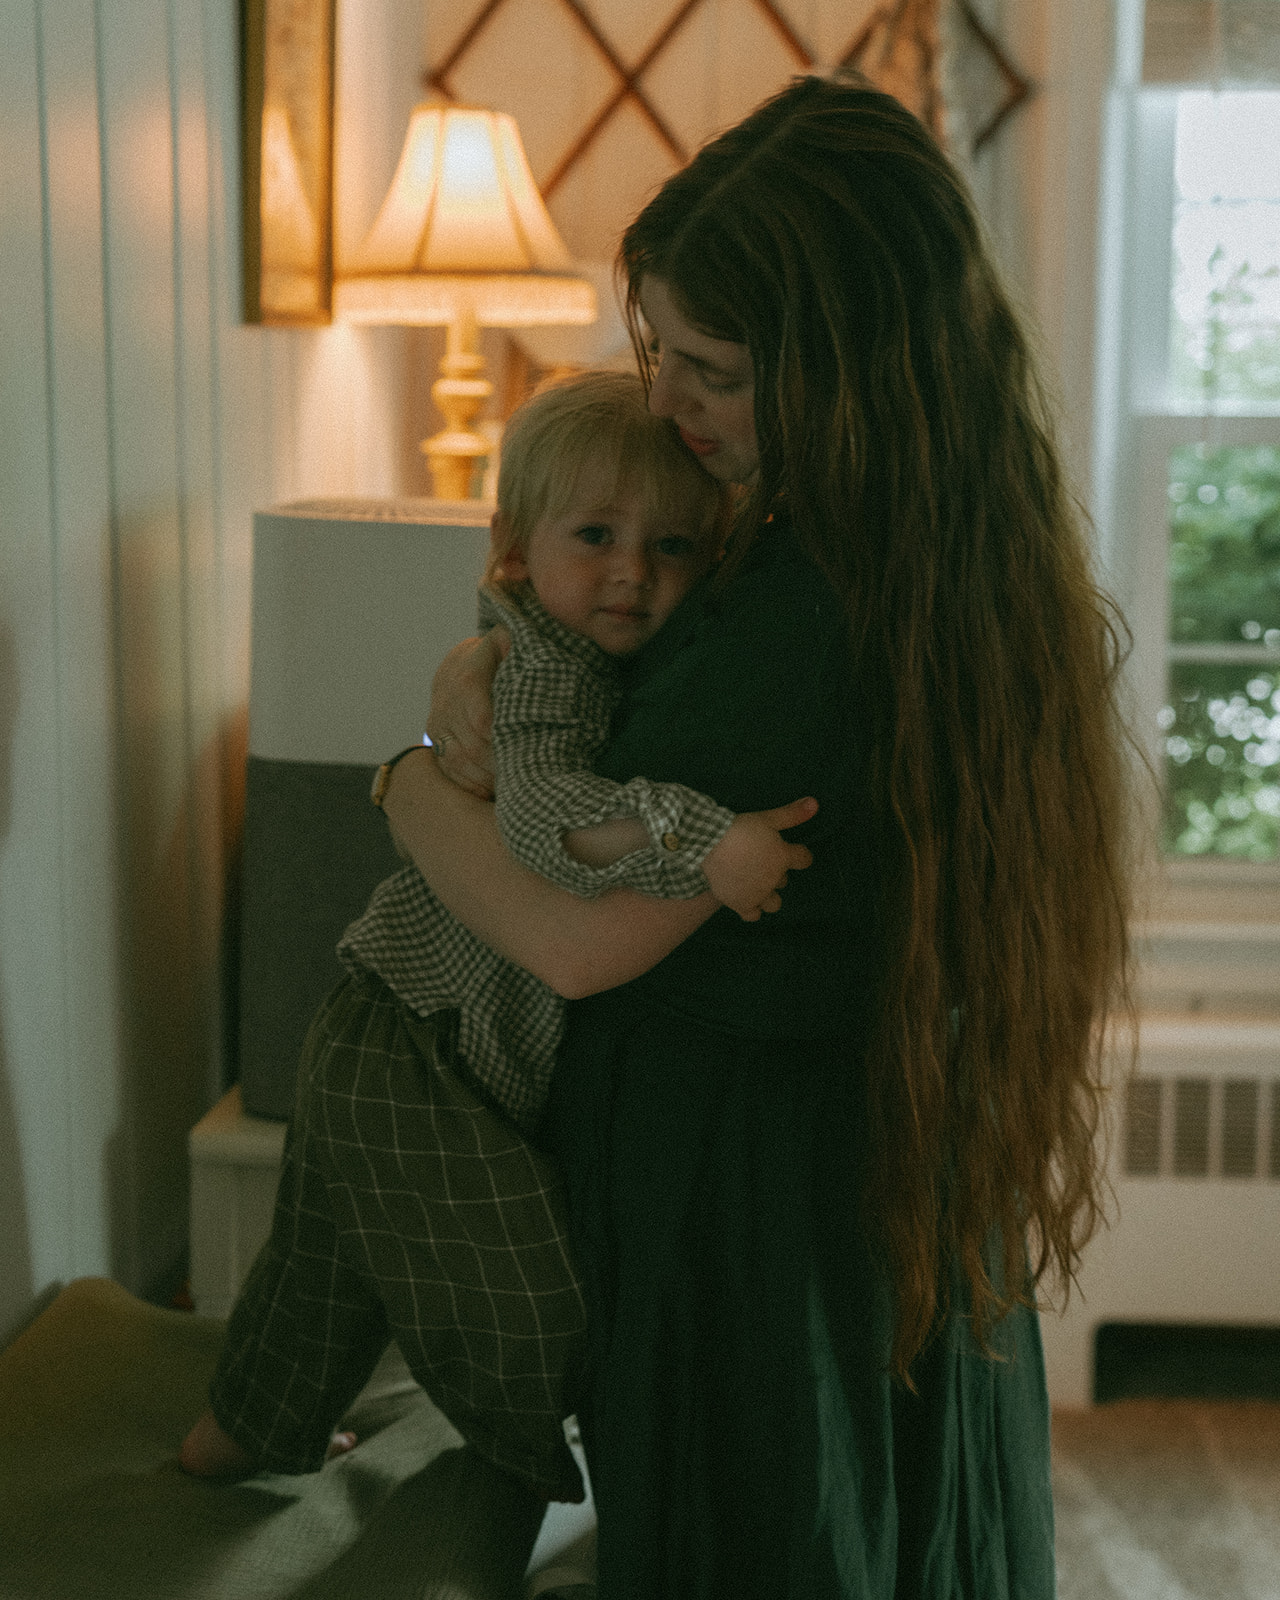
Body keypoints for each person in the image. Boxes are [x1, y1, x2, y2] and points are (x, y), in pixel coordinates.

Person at [383, 72, 1134, 1598]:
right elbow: (620, 676)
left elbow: (573, 941)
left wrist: (396, 780)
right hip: (852, 1178)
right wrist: (491, 654)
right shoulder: (918, 549)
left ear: (848, 372)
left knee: (776, 1546)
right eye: (664, 351)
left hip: (756, 1214)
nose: (668, 403)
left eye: (716, 371)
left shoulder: (812, 629)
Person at [180, 371, 817, 1502]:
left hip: (403, 1030)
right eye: (595, 536)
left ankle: (222, 1448)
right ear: (515, 549)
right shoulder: (547, 670)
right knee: (527, 1299)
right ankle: (511, 1479)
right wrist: (704, 833)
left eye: (672, 546)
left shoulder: (592, 653)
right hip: (411, 1036)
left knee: (321, 1276)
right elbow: (537, 817)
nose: (632, 572)